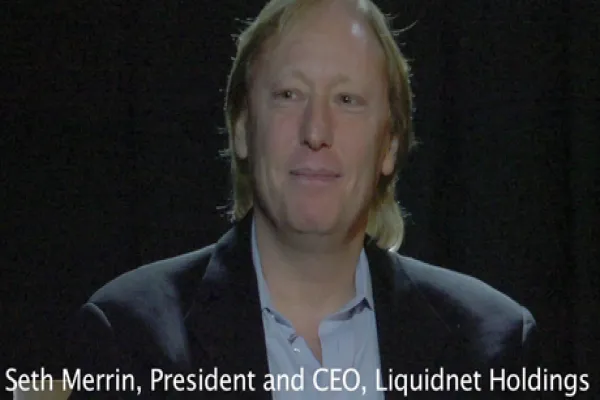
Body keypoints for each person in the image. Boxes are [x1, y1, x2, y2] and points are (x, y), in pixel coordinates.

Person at [65, 0, 539, 398]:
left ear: (390, 146)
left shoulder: (493, 347)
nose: (316, 131)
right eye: (289, 94)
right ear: (242, 129)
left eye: (347, 100)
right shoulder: (129, 340)